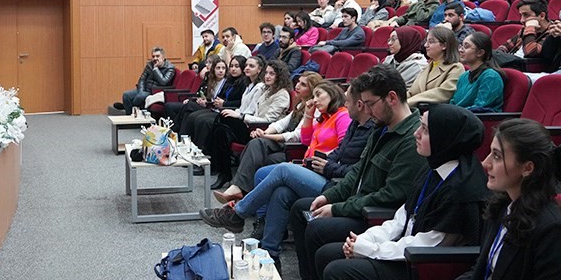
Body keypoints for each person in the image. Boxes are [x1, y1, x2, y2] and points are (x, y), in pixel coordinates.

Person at [199, 79, 374, 271]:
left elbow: (355, 170)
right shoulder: (350, 124)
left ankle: (237, 213)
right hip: (321, 169)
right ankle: (270, 254)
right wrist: (314, 153)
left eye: (348, 101)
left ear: (358, 104)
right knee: (280, 190)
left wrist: (327, 166)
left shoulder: (348, 120)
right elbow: (331, 150)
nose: (345, 104)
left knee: (281, 170)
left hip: (335, 183)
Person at [316, 105, 489, 280]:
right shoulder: (433, 167)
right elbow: (402, 217)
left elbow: (428, 244)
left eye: (425, 130)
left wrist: (371, 250)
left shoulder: (461, 190)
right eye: (420, 125)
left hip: (425, 264)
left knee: (338, 270)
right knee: (326, 254)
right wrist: (366, 239)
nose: (416, 133)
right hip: (404, 249)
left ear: (445, 138)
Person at [290, 64, 427, 280]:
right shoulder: (380, 127)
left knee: (317, 229)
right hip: (358, 203)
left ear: (391, 98)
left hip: (374, 216)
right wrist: (328, 197)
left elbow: (391, 196)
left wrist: (337, 208)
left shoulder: (411, 139)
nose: (368, 111)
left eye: (371, 104)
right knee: (301, 208)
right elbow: (356, 174)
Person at [458, 118, 561, 280]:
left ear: (527, 168)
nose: (486, 163)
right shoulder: (502, 206)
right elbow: (481, 270)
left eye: (497, 156)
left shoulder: (553, 231)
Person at [216, 72, 324, 201]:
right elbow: (282, 123)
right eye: (298, 82)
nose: (298, 86)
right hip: (283, 142)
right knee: (256, 144)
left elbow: (296, 136)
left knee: (260, 155)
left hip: (294, 148)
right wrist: (267, 133)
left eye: (303, 84)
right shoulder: (301, 104)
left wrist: (269, 137)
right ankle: (239, 192)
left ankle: (240, 192)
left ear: (312, 89)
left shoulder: (313, 108)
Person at [205, 59, 292, 189]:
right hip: (252, 126)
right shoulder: (267, 90)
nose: (267, 76)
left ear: (280, 76)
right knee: (221, 131)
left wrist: (241, 116)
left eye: (272, 74)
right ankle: (225, 174)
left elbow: (268, 120)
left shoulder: (282, 95)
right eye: (266, 73)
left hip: (263, 130)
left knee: (223, 118)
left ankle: (207, 153)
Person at [180, 55, 250, 156]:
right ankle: (188, 149)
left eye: (237, 66)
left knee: (203, 121)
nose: (233, 69)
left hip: (231, 113)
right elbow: (221, 96)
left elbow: (241, 102)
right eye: (232, 66)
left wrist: (224, 103)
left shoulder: (243, 82)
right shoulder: (231, 81)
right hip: (221, 109)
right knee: (193, 117)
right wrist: (217, 101)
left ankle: (202, 155)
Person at [407, 27, 464, 107]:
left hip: (437, 114)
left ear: (444, 45)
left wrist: (408, 103)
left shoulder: (456, 68)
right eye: (426, 41)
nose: (425, 45)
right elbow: (411, 93)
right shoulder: (427, 68)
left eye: (431, 42)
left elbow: (443, 93)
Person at [166, 56, 226, 131]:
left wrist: (206, 102)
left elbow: (219, 100)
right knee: (184, 107)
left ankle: (177, 132)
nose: (221, 71)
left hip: (211, 107)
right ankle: (177, 132)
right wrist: (193, 99)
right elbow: (199, 93)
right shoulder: (209, 78)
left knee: (189, 107)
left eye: (223, 68)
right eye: (218, 68)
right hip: (203, 104)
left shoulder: (226, 83)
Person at [450, 32, 504, 112]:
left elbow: (480, 108)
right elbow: (453, 102)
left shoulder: (490, 77)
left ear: (480, 53)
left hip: (479, 121)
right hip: (459, 117)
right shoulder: (464, 76)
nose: (460, 50)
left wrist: (451, 114)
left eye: (466, 47)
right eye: (461, 46)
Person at [114, 46, 176, 116]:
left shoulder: (170, 68)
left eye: (157, 56)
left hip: (155, 91)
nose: (155, 58)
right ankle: (129, 116)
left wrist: (156, 69)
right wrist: (141, 90)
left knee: (140, 97)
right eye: (153, 56)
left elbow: (163, 82)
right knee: (126, 95)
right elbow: (142, 79)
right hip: (145, 89)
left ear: (163, 57)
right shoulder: (150, 65)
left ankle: (130, 107)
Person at [494, 0, 550, 69]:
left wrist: (530, 28)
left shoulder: (552, 32)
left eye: (526, 15)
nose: (522, 20)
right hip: (512, 64)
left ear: (542, 16)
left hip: (527, 69)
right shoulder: (524, 29)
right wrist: (499, 54)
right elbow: (506, 46)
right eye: (521, 15)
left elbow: (531, 53)